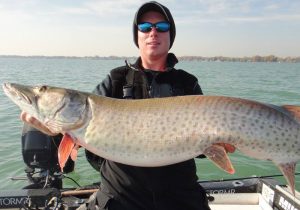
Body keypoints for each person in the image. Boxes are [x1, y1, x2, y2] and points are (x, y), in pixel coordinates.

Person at [21, 1, 234, 209]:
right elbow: (89, 147)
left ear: (170, 35)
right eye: (144, 27)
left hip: (180, 197)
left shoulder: (187, 82)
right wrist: (56, 133)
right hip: (120, 198)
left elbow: (199, 149)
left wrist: (218, 145)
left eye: (161, 27)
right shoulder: (116, 79)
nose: (153, 32)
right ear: (137, 36)